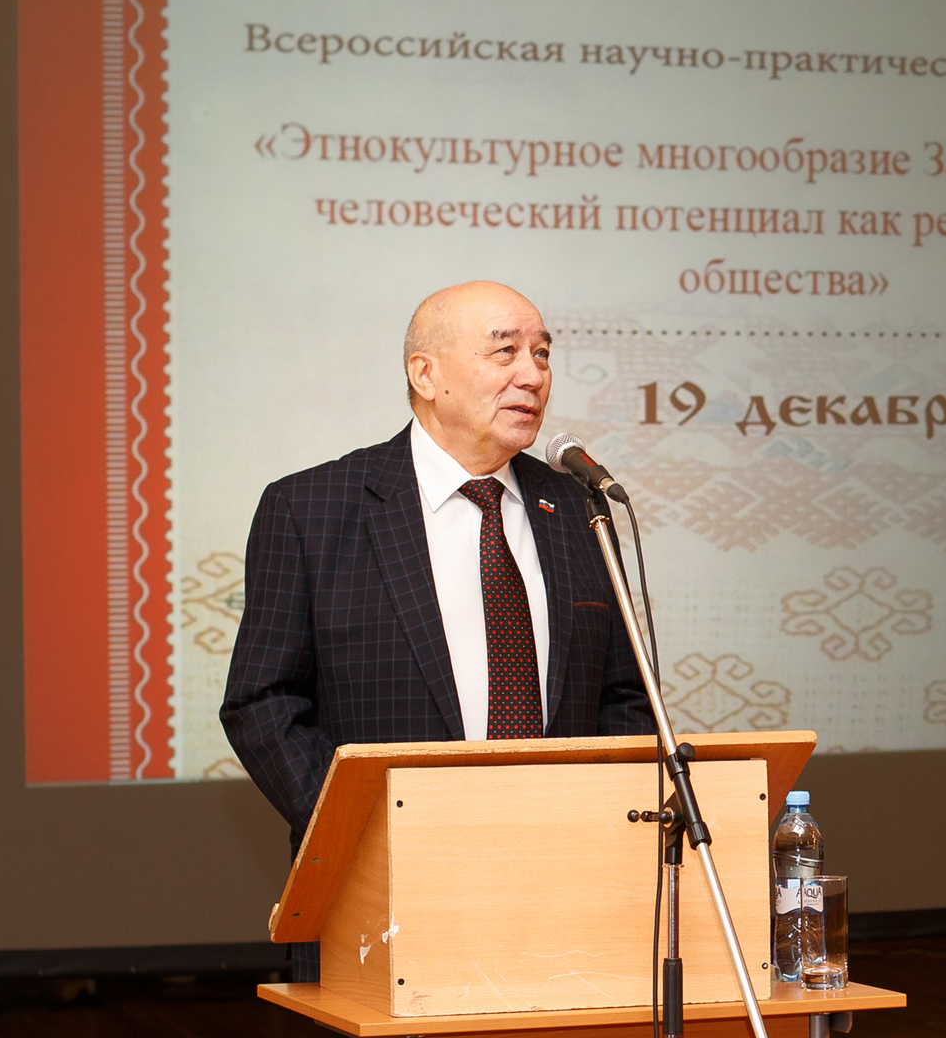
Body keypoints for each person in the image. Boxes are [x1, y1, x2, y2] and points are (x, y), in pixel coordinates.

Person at [220, 281, 654, 980]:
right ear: (425, 374)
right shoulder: (311, 507)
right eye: (505, 352)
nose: (532, 374)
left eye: (543, 354)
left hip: (562, 886)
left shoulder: (576, 508)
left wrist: (597, 831)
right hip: (382, 890)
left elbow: (626, 696)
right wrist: (358, 826)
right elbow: (262, 701)